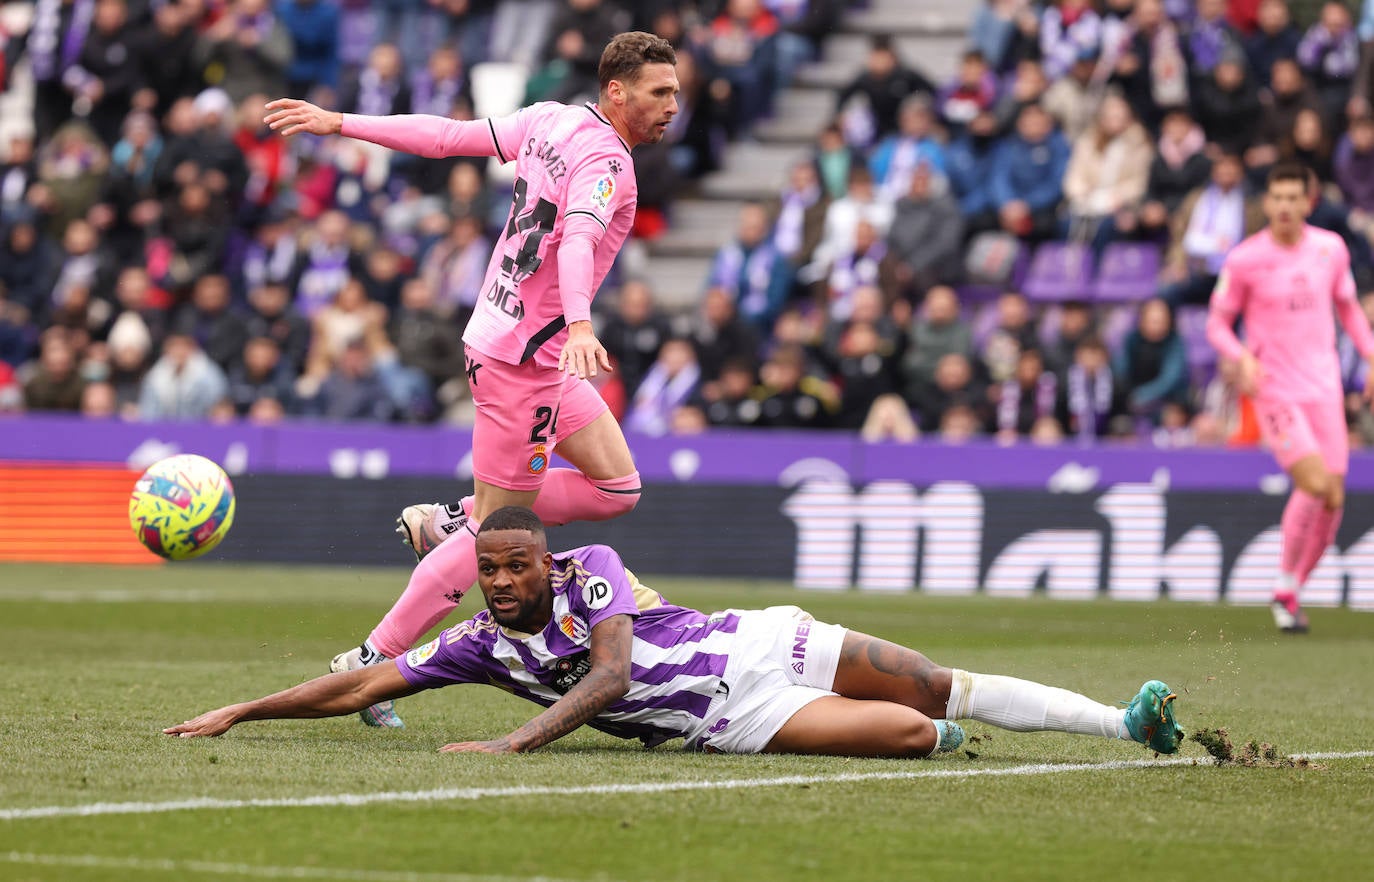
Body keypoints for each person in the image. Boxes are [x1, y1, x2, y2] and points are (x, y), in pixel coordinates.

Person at [262, 32, 679, 727]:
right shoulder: (607, 161)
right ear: (617, 91)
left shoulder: (550, 118)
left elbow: (447, 136)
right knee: (497, 534)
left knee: (617, 487)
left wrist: (342, 123)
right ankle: (374, 656)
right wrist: (579, 324)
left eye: (675, 91)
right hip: (527, 361)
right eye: (659, 92)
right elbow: (576, 240)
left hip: (514, 341)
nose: (673, 105)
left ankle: (452, 514)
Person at [165, 507, 1186, 758]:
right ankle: (942, 737)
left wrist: (515, 739)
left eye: (519, 565)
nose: (507, 581)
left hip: (759, 648)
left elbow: (608, 678)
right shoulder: (479, 644)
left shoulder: (594, 576)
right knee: (914, 739)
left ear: (548, 562)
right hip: (728, 725)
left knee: (926, 681)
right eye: (491, 572)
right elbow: (361, 685)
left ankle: (1120, 721)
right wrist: (241, 711)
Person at [1206, 163, 1374, 634]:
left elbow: (1348, 309)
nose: (1283, 206)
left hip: (1324, 387)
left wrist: (1370, 354)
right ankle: (1283, 583)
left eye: (1292, 197)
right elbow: (1216, 325)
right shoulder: (1244, 259)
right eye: (1276, 197)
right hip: (1275, 388)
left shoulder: (1330, 249)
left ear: (1308, 201)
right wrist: (1243, 358)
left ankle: (1292, 588)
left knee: (1334, 498)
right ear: (1266, 203)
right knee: (1316, 483)